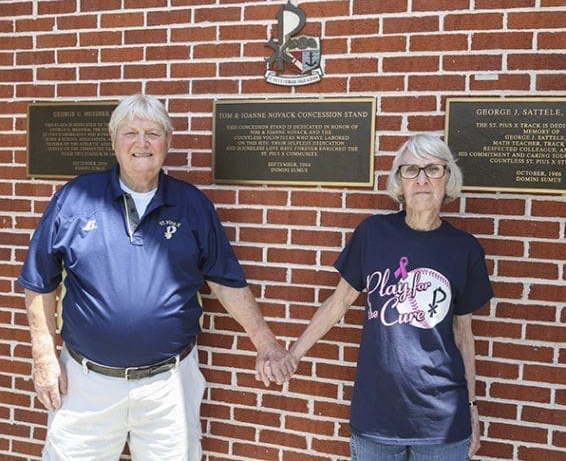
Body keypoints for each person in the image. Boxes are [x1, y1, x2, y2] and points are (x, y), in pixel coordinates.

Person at [18, 94, 295, 460]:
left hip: (169, 386)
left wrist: (265, 342)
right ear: (113, 140)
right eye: (130, 133)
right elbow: (39, 282)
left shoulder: (192, 205)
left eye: (153, 133)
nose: (141, 143)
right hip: (86, 385)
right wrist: (44, 358)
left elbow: (225, 281)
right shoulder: (75, 199)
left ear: (168, 141)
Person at [279, 133, 493, 460]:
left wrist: (472, 407)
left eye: (433, 169)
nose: (422, 180)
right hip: (376, 416)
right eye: (411, 170)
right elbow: (338, 302)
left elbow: (464, 334)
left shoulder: (464, 249)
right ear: (399, 181)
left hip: (442, 423)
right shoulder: (373, 234)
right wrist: (294, 353)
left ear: (447, 178)